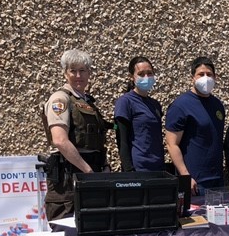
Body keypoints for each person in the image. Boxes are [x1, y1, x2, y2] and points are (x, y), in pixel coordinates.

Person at [42, 49, 111, 221]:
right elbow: (59, 140)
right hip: (69, 180)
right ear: (65, 73)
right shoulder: (61, 99)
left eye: (83, 70)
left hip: (89, 174)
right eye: (73, 70)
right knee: (67, 231)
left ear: (89, 73)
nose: (78, 75)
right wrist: (88, 171)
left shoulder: (86, 102)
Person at [165, 56, 226, 195]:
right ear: (193, 77)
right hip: (195, 182)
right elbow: (171, 144)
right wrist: (185, 175)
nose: (206, 78)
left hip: (217, 180)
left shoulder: (218, 105)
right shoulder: (180, 105)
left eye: (209, 74)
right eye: (201, 74)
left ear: (215, 77)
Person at [114, 56, 165, 172]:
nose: (146, 77)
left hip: (157, 167)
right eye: (141, 74)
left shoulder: (155, 105)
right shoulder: (125, 102)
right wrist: (128, 170)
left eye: (149, 73)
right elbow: (121, 139)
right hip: (138, 168)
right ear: (132, 77)